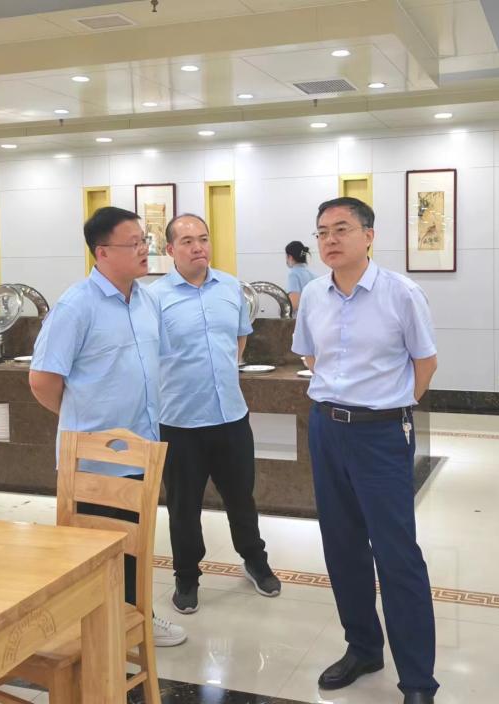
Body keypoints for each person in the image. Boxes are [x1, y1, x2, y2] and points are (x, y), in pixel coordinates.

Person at [292, 197, 440, 704]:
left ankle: (417, 679)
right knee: (342, 545)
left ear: (369, 236)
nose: (330, 240)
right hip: (326, 428)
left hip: (381, 434)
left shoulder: (402, 293)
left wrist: (390, 406)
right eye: (322, 232)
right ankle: (362, 647)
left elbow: (425, 363)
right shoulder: (314, 295)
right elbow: (311, 356)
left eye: (341, 229)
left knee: (397, 554)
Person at [29, 205, 187, 648]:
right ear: (102, 252)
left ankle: (135, 620)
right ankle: (96, 634)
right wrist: (82, 425)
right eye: (133, 243)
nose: (144, 249)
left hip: (141, 448)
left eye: (144, 241)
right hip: (94, 460)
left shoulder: (147, 300)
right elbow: (42, 380)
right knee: (95, 550)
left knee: (135, 545)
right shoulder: (76, 306)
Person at [150, 213, 281, 615]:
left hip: (231, 416)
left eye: (203, 239)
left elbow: (239, 340)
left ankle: (255, 561)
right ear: (170, 249)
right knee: (184, 508)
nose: (198, 247)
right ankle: (186, 577)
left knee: (241, 498)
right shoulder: (154, 298)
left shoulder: (230, 288)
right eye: (187, 241)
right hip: (180, 421)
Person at [284, 240, 315, 311]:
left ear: (290, 257)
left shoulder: (293, 275)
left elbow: (294, 304)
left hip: (301, 316)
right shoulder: (313, 274)